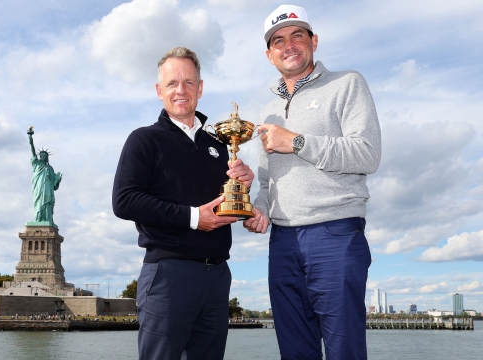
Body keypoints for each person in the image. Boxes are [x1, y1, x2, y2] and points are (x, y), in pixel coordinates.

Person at [243, 4, 381, 360]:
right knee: (295, 352)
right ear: (269, 54)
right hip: (283, 243)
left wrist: (298, 142)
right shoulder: (266, 112)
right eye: (278, 41)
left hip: (335, 235)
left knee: (344, 351)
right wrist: (258, 209)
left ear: (313, 41)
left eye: (297, 35)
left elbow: (367, 154)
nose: (288, 45)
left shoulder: (347, 84)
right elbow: (266, 180)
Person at [112, 47, 254, 359]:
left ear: (200, 88)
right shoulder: (144, 139)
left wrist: (244, 189)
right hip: (168, 274)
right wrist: (193, 217)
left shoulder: (218, 145)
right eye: (173, 83)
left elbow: (227, 205)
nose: (181, 90)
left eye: (189, 82)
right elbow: (124, 201)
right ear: (159, 90)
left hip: (217, 276)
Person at [28, 130, 62, 225]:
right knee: (38, 201)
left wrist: (58, 179)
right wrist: (30, 138)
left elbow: (54, 183)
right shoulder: (37, 164)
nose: (42, 157)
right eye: (41, 155)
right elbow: (33, 151)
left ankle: (48, 219)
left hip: (47, 188)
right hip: (39, 186)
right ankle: (38, 219)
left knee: (47, 202)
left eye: (44, 156)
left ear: (47, 158)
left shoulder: (50, 168)